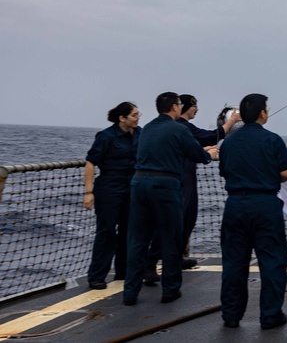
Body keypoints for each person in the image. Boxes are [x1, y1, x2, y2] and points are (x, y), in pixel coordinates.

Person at [121, 92, 218, 306]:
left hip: (139, 184)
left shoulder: (146, 129)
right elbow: (197, 155)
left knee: (138, 240)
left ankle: (130, 292)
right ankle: (170, 289)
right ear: (175, 107)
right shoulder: (179, 129)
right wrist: (209, 154)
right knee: (171, 237)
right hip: (165, 186)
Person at [219, 93, 287, 330]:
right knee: (272, 261)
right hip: (265, 205)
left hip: (235, 205)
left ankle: (231, 314)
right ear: (263, 113)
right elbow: (286, 174)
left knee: (233, 263)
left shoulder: (229, 142)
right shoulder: (273, 140)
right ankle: (270, 315)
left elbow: (224, 171)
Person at [146, 94, 237, 276]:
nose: (197, 109)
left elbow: (189, 147)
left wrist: (202, 150)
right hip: (179, 179)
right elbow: (210, 136)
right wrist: (231, 121)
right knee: (173, 221)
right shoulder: (181, 126)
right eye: (194, 106)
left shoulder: (182, 127)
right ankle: (150, 263)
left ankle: (176, 257)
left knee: (189, 218)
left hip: (187, 177)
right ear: (183, 107)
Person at [82, 102, 141, 289]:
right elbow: (91, 163)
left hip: (132, 186)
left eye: (138, 114)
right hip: (109, 186)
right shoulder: (106, 136)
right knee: (106, 231)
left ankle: (123, 271)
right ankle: (97, 276)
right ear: (122, 118)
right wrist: (88, 192)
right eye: (134, 115)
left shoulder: (140, 134)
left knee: (128, 230)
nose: (137, 118)